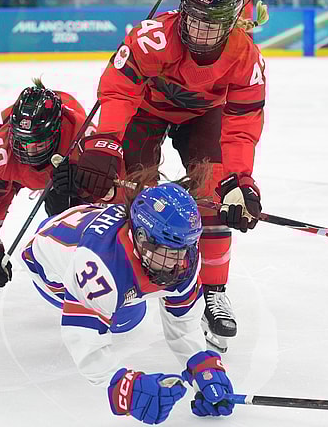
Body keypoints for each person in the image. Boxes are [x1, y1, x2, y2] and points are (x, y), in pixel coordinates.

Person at [62, 0, 270, 353]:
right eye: (192, 19)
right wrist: (105, 143)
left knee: (214, 194)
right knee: (136, 190)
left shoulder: (246, 56)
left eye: (210, 25)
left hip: (204, 115)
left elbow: (241, 125)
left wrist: (240, 180)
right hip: (147, 110)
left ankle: (213, 289)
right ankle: (129, 274)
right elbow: (120, 89)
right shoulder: (152, 37)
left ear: (232, 25)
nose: (196, 31)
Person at [23, 168, 236, 422]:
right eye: (168, 251)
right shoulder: (98, 265)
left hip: (81, 225)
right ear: (141, 238)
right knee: (127, 318)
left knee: (133, 304)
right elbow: (82, 338)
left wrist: (201, 364)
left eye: (184, 249)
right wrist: (123, 386)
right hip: (45, 265)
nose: (177, 264)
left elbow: (183, 324)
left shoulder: (183, 257)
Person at [0, 80, 88, 313]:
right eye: (23, 141)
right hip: (11, 173)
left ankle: (76, 267)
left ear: (57, 131)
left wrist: (83, 182)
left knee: (68, 217)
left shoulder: (82, 136)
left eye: (38, 143)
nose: (29, 151)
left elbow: (108, 192)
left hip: (60, 174)